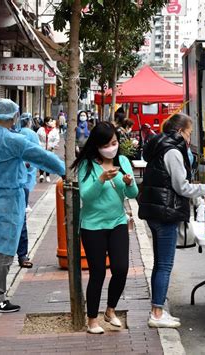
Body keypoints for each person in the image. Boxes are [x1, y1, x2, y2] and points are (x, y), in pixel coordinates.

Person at [0, 99, 65, 313]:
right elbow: (42, 157)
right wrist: (65, 169)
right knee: (4, 249)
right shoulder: (11, 139)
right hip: (6, 198)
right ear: (14, 116)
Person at [138, 113, 205, 328]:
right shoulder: (173, 151)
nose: (190, 138)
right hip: (166, 212)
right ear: (181, 131)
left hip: (156, 211)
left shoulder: (159, 146)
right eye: (189, 133)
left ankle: (158, 309)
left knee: (159, 263)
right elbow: (181, 187)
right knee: (165, 265)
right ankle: (157, 313)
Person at [71, 122, 138, 334]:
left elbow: (133, 193)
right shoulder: (88, 166)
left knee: (121, 268)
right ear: (98, 145)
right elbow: (86, 197)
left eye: (115, 142)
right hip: (93, 225)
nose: (113, 147)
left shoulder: (123, 161)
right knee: (97, 272)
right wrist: (101, 179)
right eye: (108, 144)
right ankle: (92, 319)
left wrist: (128, 182)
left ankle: (110, 310)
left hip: (118, 221)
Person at [16, 112, 40, 268]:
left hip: (18, 184)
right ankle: (22, 255)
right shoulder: (8, 137)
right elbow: (38, 156)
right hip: (10, 186)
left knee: (19, 220)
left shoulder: (15, 134)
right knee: (19, 220)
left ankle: (22, 254)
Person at [37, 116, 60, 183]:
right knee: (41, 161)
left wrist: (52, 146)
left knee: (48, 162)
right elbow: (37, 137)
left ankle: (47, 175)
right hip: (42, 147)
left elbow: (57, 139)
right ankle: (41, 175)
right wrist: (40, 145)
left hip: (50, 148)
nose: (51, 122)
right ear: (46, 122)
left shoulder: (54, 130)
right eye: (50, 121)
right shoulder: (41, 129)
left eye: (52, 121)